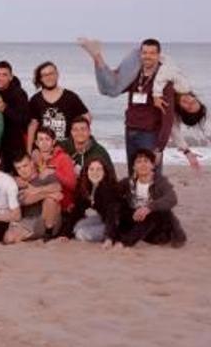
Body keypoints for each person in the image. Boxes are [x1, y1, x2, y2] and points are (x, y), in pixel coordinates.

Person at [80, 38, 207, 170]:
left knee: (107, 89)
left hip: (145, 135)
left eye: (189, 107)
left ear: (184, 111)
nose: (189, 102)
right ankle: (97, 55)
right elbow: (165, 72)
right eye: (194, 101)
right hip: (133, 130)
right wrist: (156, 94)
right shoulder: (181, 84)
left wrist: (179, 151)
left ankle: (96, 55)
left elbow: (171, 127)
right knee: (141, 174)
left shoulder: (168, 92)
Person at [123, 39, 176, 175]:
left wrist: (159, 148)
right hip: (130, 132)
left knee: (152, 176)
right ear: (140, 54)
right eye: (145, 52)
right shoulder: (135, 75)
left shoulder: (164, 81)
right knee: (133, 175)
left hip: (150, 136)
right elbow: (114, 88)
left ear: (159, 55)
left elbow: (168, 118)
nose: (148, 56)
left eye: (152, 53)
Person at [118, 149, 186, 248]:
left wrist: (148, 208)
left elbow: (172, 198)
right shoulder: (128, 183)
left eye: (146, 161)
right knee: (121, 206)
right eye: (139, 162)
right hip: (139, 224)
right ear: (134, 167)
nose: (142, 165)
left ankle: (125, 243)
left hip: (159, 229)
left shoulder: (160, 182)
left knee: (158, 211)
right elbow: (112, 192)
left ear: (152, 165)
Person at [60, 158, 126, 246]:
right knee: (77, 227)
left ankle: (114, 235)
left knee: (81, 234)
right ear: (86, 171)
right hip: (103, 218)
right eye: (91, 169)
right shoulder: (86, 187)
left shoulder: (110, 189)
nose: (95, 172)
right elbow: (77, 211)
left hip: (119, 222)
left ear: (104, 172)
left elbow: (112, 215)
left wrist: (109, 238)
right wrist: (66, 234)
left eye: (99, 169)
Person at [26, 61, 90, 150]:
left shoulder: (70, 97)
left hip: (67, 148)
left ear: (57, 74)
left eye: (51, 73)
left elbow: (86, 117)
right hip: (44, 149)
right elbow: (32, 126)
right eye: (45, 75)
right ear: (41, 79)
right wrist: (29, 150)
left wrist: (80, 139)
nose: (49, 77)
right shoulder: (35, 100)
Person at [4, 153, 63, 244]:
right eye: (18, 168)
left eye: (25, 166)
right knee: (8, 238)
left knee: (51, 201)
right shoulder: (19, 183)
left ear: (32, 163)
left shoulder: (45, 176)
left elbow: (57, 187)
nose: (22, 170)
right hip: (29, 221)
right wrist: (48, 194)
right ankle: (36, 236)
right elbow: (25, 200)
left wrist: (36, 190)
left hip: (49, 219)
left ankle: (48, 235)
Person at [0, 61, 30, 172]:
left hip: (14, 143)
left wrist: (5, 109)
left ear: (11, 77)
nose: (0, 78)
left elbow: (24, 120)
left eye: (4, 75)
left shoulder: (19, 93)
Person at [33, 127, 78, 222]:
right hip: (39, 203)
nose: (44, 143)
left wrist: (54, 172)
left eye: (47, 139)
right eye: (41, 139)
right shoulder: (33, 160)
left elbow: (73, 185)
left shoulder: (63, 158)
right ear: (36, 143)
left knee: (50, 199)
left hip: (62, 206)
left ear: (53, 141)